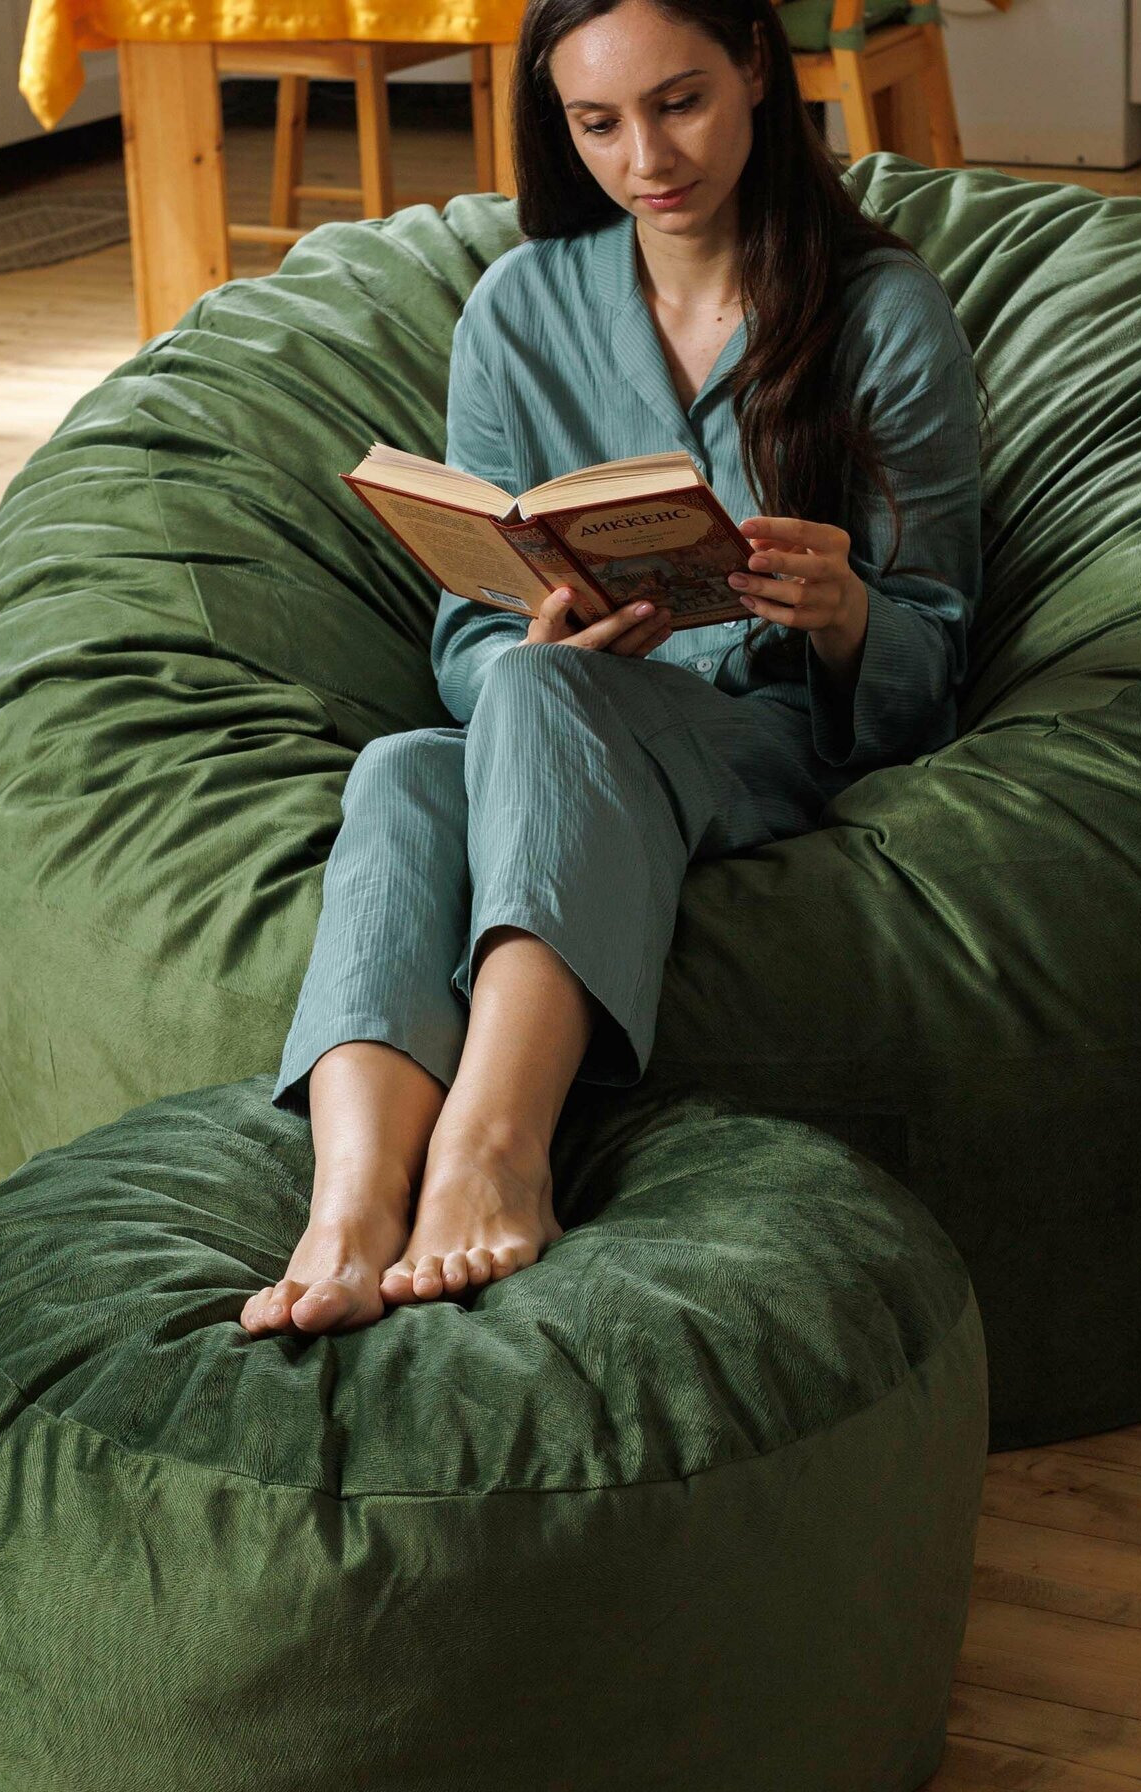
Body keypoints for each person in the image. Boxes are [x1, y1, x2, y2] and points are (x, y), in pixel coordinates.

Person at [240, 0, 986, 1338]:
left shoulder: (883, 312)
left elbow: (936, 649)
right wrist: (531, 647)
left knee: (528, 706)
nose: (647, 157)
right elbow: (470, 631)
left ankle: (494, 1151)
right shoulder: (519, 307)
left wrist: (845, 613)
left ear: (754, 69)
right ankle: (348, 1206)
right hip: (563, 720)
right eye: (598, 123)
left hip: (764, 743)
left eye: (680, 102)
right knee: (404, 768)